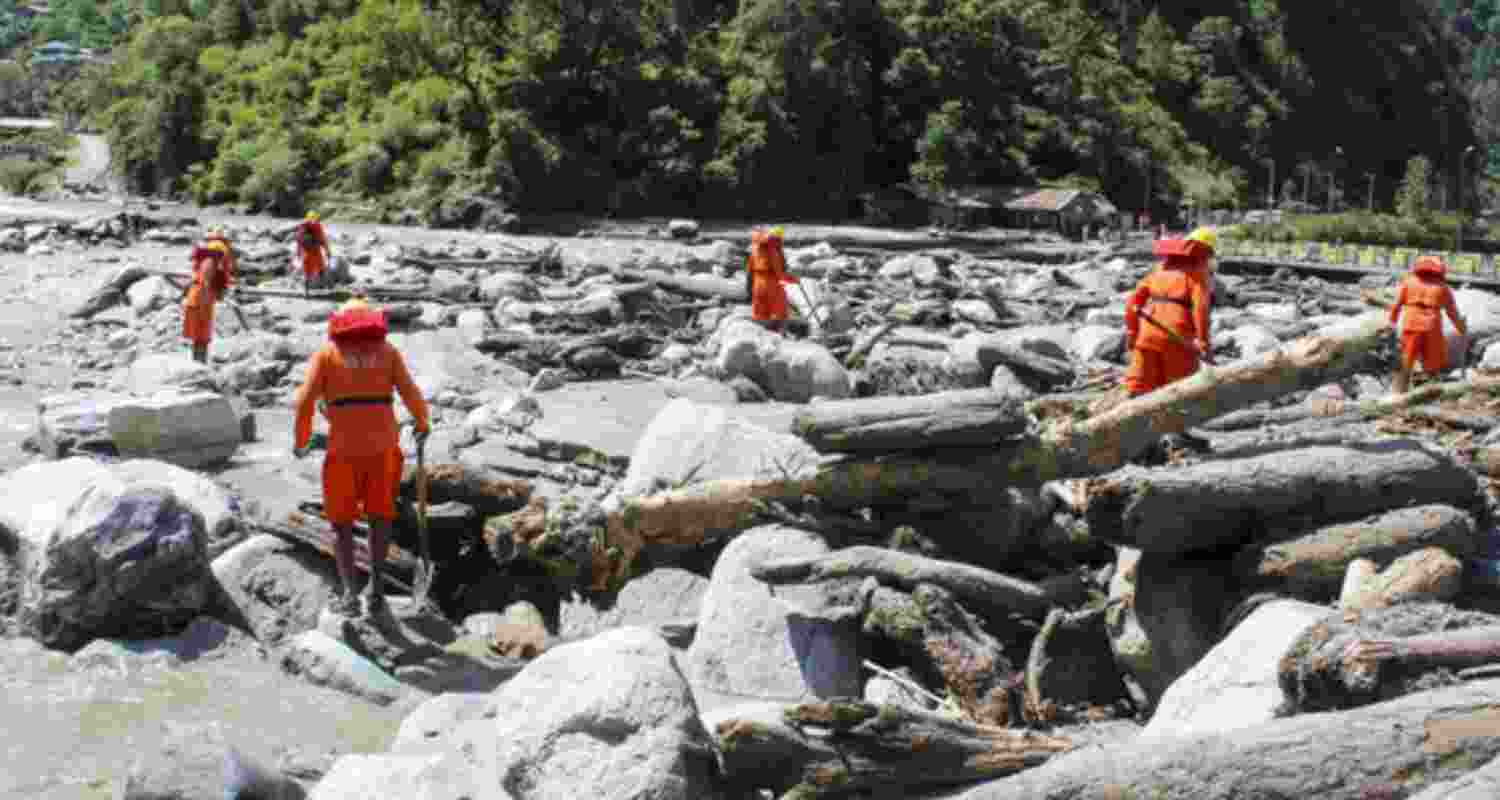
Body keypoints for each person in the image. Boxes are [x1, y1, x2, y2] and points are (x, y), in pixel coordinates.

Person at [293, 298, 431, 617]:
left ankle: (350, 596)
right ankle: (378, 592)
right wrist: (423, 424)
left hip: (343, 451)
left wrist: (301, 442)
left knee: (341, 524)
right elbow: (411, 393)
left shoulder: (327, 355)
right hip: (383, 449)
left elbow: (302, 403)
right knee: (380, 517)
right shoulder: (388, 353)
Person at [1123, 226, 1217, 400]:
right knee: (1179, 392)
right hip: (1177, 339)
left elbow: (1131, 303)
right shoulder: (1197, 275)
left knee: (1138, 388)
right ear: (1205, 254)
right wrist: (1204, 344)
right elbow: (1201, 310)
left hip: (1147, 336)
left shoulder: (1158, 272)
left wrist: (1132, 332)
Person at [1388, 255, 1468, 394]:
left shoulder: (1408, 282)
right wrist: (1462, 329)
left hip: (1411, 322)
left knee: (1406, 361)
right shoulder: (1443, 287)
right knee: (1433, 363)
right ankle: (1429, 393)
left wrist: (1391, 323)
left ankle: (1398, 393)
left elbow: (1396, 305)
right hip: (1431, 324)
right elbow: (1452, 313)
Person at [182, 228, 237, 364]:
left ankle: (198, 363)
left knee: (200, 336)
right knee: (201, 336)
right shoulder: (213, 258)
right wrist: (213, 293)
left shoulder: (208, 257)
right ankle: (199, 364)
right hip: (202, 299)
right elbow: (206, 279)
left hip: (199, 298)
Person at [747, 226, 799, 333]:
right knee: (782, 312)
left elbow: (749, 272)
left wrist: (749, 288)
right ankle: (782, 335)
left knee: (761, 314)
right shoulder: (773, 250)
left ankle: (761, 335)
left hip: (757, 284)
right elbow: (779, 273)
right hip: (771, 284)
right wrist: (793, 279)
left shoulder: (756, 250)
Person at [296, 211, 332, 296]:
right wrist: (327, 251)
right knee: (322, 270)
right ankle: (328, 288)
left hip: (306, 253)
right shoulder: (317, 226)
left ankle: (306, 292)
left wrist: (298, 253)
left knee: (307, 273)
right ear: (316, 217)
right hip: (316, 252)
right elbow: (322, 239)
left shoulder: (303, 226)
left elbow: (299, 241)